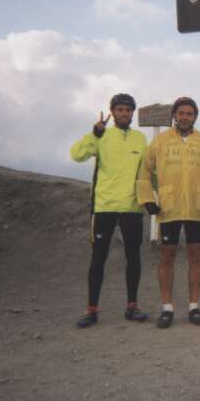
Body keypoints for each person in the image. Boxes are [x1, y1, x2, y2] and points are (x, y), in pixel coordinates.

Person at [137, 96, 200, 328]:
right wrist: (148, 199)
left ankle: (194, 306)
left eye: (189, 113)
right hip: (168, 208)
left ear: (195, 116)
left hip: (197, 209)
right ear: (174, 116)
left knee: (195, 257)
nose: (185, 117)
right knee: (167, 256)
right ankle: (167, 308)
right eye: (181, 113)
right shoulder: (160, 141)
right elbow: (144, 172)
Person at [70, 93, 149, 328]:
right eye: (120, 110)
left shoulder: (140, 138)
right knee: (98, 258)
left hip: (132, 207)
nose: (124, 113)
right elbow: (77, 155)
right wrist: (94, 135)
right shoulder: (101, 135)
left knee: (133, 257)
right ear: (112, 112)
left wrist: (152, 198)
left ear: (132, 113)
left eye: (128, 110)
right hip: (103, 206)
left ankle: (132, 306)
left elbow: (146, 171)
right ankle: (91, 310)